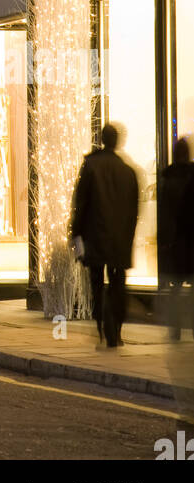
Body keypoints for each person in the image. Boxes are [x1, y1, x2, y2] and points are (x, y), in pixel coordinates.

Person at [70, 122, 139, 349]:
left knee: (97, 283)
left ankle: (101, 325)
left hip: (96, 238)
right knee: (118, 284)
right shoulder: (127, 172)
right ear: (117, 141)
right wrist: (128, 237)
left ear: (102, 139)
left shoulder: (90, 166)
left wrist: (76, 232)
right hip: (119, 240)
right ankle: (116, 330)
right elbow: (133, 210)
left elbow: (80, 203)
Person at [157, 137, 194, 340]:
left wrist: (164, 241)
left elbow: (164, 213)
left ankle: (175, 329)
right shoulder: (192, 176)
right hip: (191, 239)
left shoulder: (167, 178)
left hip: (176, 240)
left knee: (175, 285)